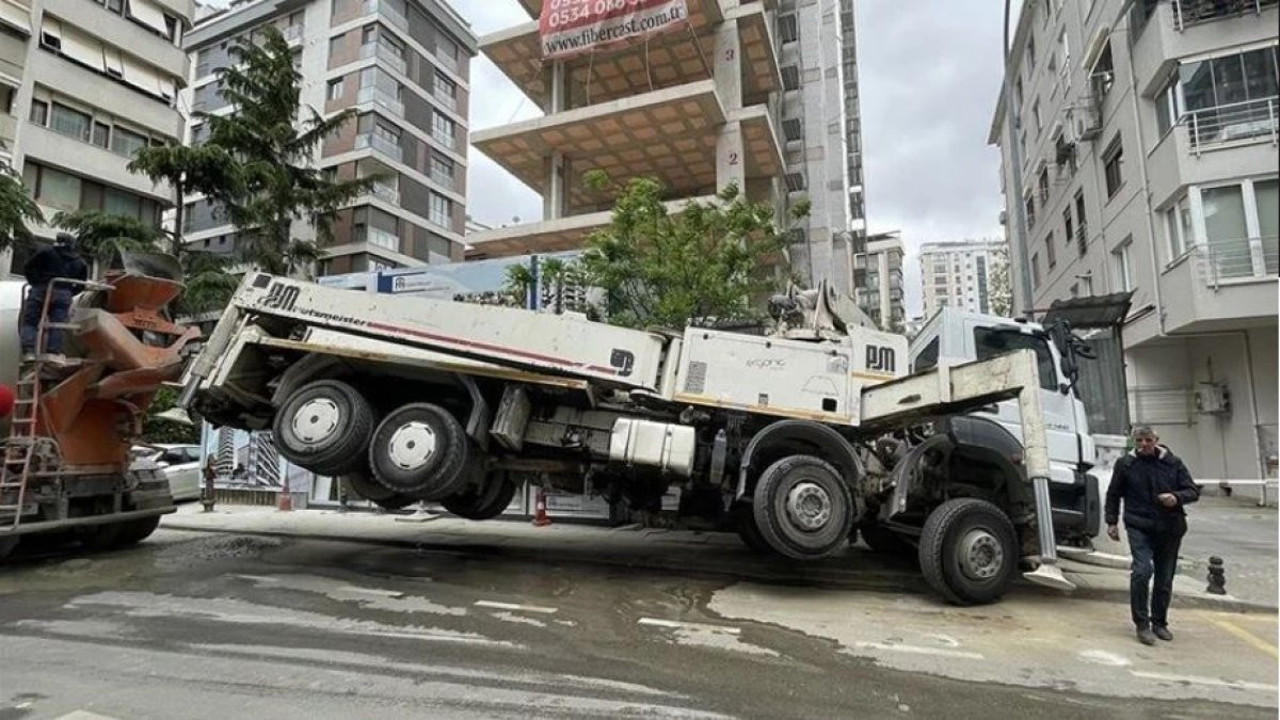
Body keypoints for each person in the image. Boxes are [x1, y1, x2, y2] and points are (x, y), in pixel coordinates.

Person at [1105, 426, 1200, 646]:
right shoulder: (1126, 464)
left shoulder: (1173, 463)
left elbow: (1192, 491)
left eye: (1148, 440)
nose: (1144, 444)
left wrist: (1176, 497)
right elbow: (1114, 493)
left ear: (1156, 440)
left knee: (1165, 578)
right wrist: (1111, 521)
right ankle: (1142, 623)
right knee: (1142, 571)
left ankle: (1160, 623)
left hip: (1170, 527)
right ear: (1134, 442)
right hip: (1139, 525)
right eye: (1139, 440)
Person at [19, 233, 88, 362]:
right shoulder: (79, 261)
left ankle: (29, 352)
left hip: (41, 290)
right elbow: (81, 283)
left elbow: (29, 267)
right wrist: (69, 292)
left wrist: (36, 282)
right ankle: (53, 353)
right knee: (57, 325)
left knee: (31, 322)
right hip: (63, 293)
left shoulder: (45, 252)